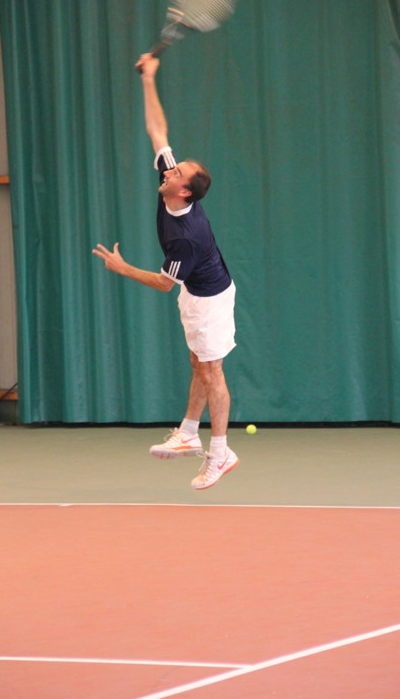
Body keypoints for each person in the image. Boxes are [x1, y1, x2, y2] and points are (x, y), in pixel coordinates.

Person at [92, 53, 238, 490]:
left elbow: (161, 283)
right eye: (173, 166)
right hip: (195, 292)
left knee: (211, 371)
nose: (170, 168)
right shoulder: (170, 183)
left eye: (177, 172)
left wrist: (122, 268)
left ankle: (221, 454)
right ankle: (189, 433)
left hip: (210, 299)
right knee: (198, 363)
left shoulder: (186, 237)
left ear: (185, 190)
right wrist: (149, 79)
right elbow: (158, 129)